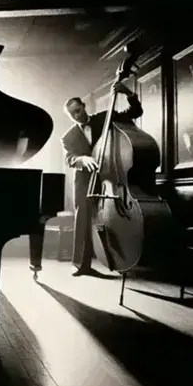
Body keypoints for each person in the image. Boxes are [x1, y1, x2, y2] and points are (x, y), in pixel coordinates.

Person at [60, 82, 143, 277]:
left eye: (78, 111)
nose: (77, 116)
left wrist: (129, 93)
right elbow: (69, 158)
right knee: (83, 220)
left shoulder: (105, 118)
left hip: (111, 176)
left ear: (84, 106)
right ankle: (82, 265)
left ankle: (119, 259)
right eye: (73, 115)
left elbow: (135, 112)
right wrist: (82, 159)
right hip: (84, 180)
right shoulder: (68, 137)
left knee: (113, 218)